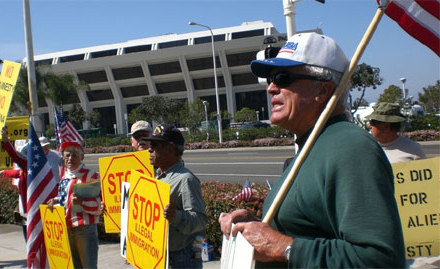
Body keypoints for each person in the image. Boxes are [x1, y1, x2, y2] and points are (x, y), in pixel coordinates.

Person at [219, 33, 405, 268]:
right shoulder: (314, 144)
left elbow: (380, 259)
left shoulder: (350, 148)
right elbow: (311, 231)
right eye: (270, 79)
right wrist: (260, 227)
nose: (271, 88)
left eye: (283, 77)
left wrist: (283, 246)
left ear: (323, 91)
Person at [143, 125, 208, 268]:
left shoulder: (185, 179)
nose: (149, 149)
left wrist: (175, 216)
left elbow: (201, 220)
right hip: (161, 255)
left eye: (155, 145)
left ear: (171, 148)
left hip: (181, 259)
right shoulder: (158, 177)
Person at [47, 141, 101, 269]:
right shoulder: (65, 175)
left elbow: (98, 207)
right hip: (66, 228)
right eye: (67, 155)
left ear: (81, 157)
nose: (70, 159)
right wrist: (56, 200)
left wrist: (82, 202)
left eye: (75, 155)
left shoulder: (90, 175)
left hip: (84, 229)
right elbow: (65, 198)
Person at [0, 126, 29, 240]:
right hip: (26, 207)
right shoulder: (27, 168)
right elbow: (18, 173)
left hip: (31, 207)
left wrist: (5, 140)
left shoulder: (31, 166)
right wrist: (4, 173)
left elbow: (14, 156)